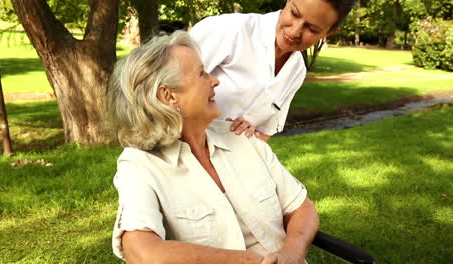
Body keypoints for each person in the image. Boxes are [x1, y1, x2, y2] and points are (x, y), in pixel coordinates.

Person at [107, 31, 319, 264]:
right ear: (168, 96)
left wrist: (293, 252)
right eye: (201, 74)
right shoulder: (140, 165)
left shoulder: (241, 136)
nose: (215, 80)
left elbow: (301, 207)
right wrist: (249, 262)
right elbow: (141, 252)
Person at [190, 0, 356, 141]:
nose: (294, 32)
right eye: (295, 14)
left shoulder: (297, 70)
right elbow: (168, 93)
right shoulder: (228, 29)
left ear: (329, 33)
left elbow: (264, 131)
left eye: (312, 29)